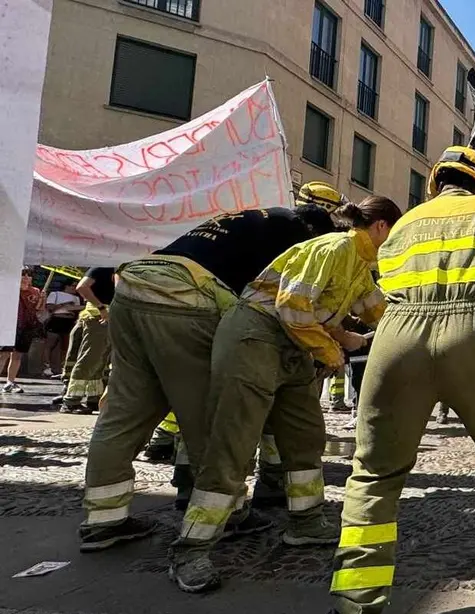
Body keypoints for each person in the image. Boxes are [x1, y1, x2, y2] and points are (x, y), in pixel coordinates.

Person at [325, 146, 475, 614]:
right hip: (470, 335)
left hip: (395, 338)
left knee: (374, 475)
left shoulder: (401, 226)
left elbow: (384, 288)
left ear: (436, 182)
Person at [77, 184, 344, 552]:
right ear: (317, 232)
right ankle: (225, 511)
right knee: (209, 412)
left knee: (125, 411)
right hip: (185, 300)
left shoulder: (253, 219)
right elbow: (286, 303)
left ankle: (103, 520)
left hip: (134, 288)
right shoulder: (299, 236)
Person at [168, 195, 396, 592]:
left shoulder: (360, 264)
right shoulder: (335, 247)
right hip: (255, 335)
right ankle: (191, 547)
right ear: (380, 228)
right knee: (234, 440)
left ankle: (306, 522)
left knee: (305, 435)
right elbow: (292, 306)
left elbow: (382, 311)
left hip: (291, 344)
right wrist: (330, 350)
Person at [59, 267, 115, 412]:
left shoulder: (102, 267)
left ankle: (93, 398)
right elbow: (82, 287)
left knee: (98, 360)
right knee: (91, 359)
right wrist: (102, 308)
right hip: (100, 318)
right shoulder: (105, 268)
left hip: (92, 316)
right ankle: (71, 401)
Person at [1, 269, 44, 393]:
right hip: (8, 325)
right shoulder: (9, 288)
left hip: (26, 326)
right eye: (22, 274)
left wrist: (42, 300)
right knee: (3, 354)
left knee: (17, 355)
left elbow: (39, 310)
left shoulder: (35, 291)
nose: (25, 277)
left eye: (28, 275)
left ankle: (10, 382)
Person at [42, 281, 82, 377]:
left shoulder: (77, 298)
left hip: (69, 321)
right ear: (66, 286)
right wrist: (65, 305)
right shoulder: (55, 294)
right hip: (56, 319)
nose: (75, 288)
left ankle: (63, 367)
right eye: (73, 285)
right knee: (50, 344)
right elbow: (50, 307)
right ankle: (46, 366)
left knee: (67, 345)